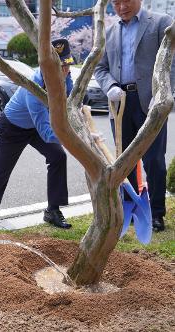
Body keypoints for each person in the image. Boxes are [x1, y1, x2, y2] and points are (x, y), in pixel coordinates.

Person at [94, 0, 174, 232]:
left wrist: (162, 94)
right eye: (116, 2)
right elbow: (101, 68)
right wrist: (109, 86)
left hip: (150, 103)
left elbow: (172, 63)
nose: (121, 6)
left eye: (126, 0)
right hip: (121, 103)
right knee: (124, 160)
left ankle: (157, 213)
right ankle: (129, 209)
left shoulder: (161, 23)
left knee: (154, 160)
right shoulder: (110, 31)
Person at [0, 39, 74, 229]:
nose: (65, 71)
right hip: (12, 128)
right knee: (0, 174)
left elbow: (68, 103)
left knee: (57, 156)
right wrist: (75, 139)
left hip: (34, 128)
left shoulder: (66, 77)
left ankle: (52, 211)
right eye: (60, 66)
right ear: (48, 66)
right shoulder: (35, 86)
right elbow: (46, 132)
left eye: (67, 65)